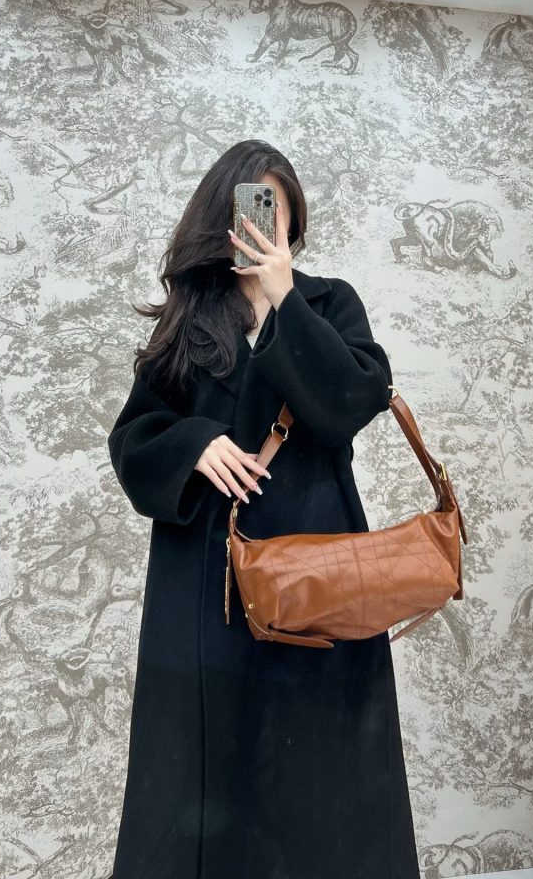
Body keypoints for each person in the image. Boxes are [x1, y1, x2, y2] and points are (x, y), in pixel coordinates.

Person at [107, 138, 421, 879]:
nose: (264, 219)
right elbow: (132, 440)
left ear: (293, 220)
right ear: (223, 215)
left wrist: (285, 297)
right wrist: (194, 444)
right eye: (252, 204)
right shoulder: (191, 318)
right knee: (207, 778)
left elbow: (351, 404)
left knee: (324, 773)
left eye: (276, 207)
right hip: (207, 584)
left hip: (317, 572)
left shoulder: (329, 303)